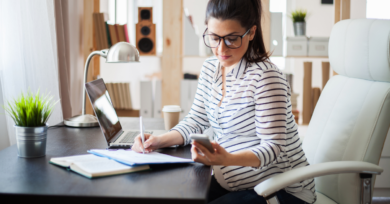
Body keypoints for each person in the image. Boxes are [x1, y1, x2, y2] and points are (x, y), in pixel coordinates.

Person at [132, 0, 316, 203]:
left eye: (232, 38)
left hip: (279, 191)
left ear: (251, 33)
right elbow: (196, 119)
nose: (221, 49)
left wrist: (226, 159)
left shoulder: (266, 78)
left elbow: (271, 148)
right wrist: (158, 141)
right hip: (232, 180)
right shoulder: (210, 68)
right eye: (214, 37)